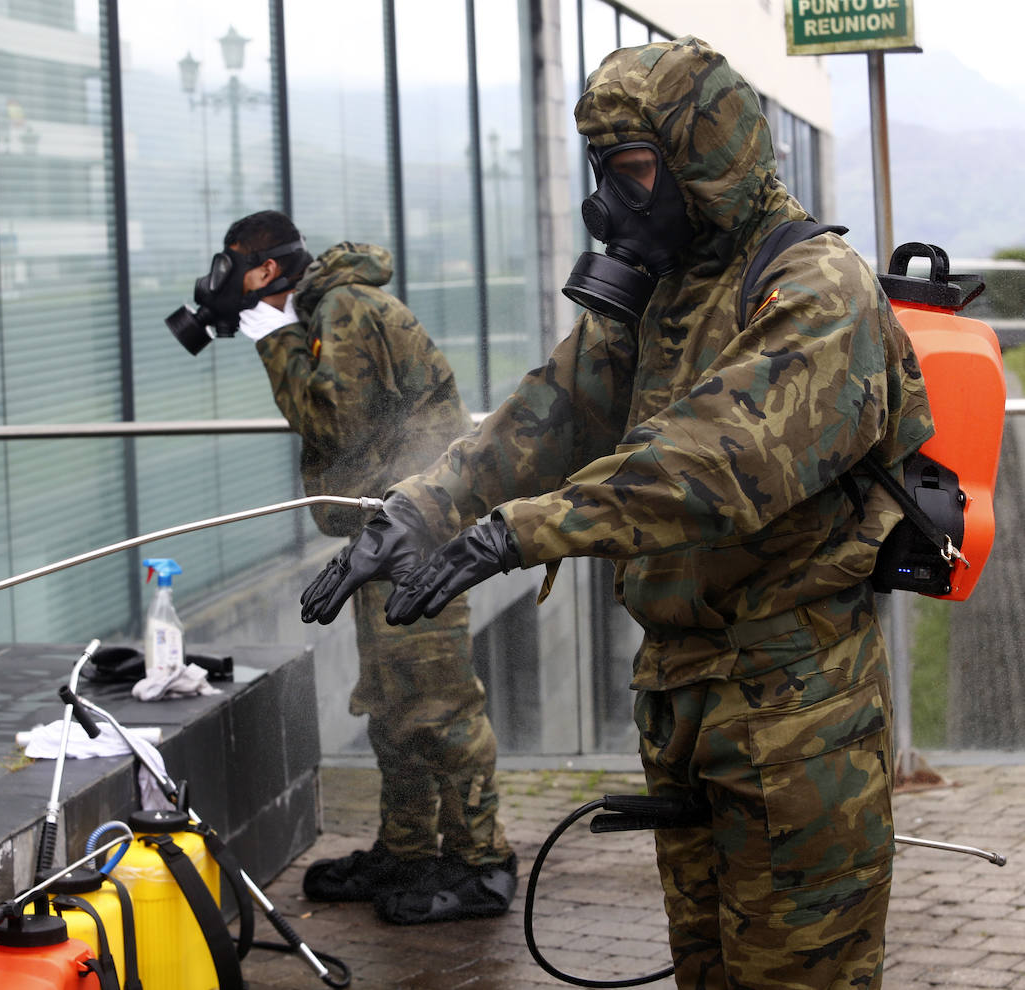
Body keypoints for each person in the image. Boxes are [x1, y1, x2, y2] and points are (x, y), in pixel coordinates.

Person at [301, 38, 932, 988]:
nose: (612, 200)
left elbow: (715, 461)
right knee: (705, 968)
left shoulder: (817, 287)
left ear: (706, 152)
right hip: (684, 693)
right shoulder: (668, 288)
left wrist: (518, 531)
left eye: (633, 167)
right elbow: (550, 412)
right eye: (601, 169)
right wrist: (421, 507)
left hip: (793, 703)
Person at [222, 210, 517, 924]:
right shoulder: (333, 306)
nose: (230, 285)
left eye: (237, 269)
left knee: (440, 706)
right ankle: (408, 849)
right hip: (388, 534)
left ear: (266, 270)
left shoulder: (346, 308)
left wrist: (274, 339)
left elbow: (335, 424)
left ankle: (483, 864)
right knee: (393, 704)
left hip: (422, 537)